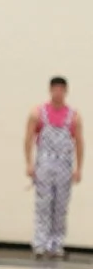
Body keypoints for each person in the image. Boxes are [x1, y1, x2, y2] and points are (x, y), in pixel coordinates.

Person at [25, 77, 83, 259]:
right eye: (55, 89)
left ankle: (56, 244)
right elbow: (28, 138)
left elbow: (79, 142)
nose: (58, 93)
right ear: (50, 90)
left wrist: (78, 168)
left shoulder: (73, 116)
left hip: (64, 164)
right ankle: (40, 243)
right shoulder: (38, 113)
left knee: (60, 206)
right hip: (45, 162)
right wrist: (29, 163)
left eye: (61, 90)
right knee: (43, 204)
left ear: (66, 91)